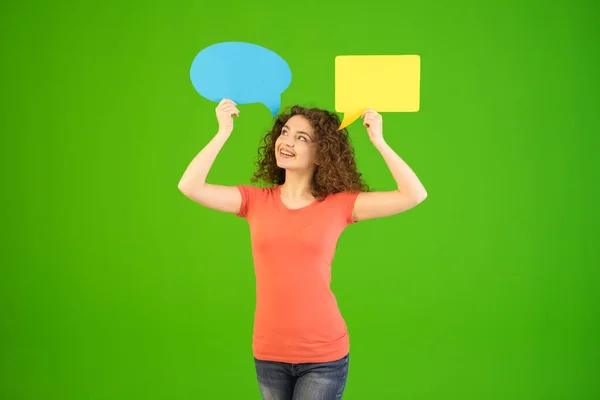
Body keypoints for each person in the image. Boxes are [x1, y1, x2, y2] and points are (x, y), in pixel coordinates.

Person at [178, 99, 427, 399]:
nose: (287, 141)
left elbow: (414, 194)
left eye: (301, 138)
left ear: (322, 153)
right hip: (269, 352)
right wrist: (223, 133)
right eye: (284, 132)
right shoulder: (255, 201)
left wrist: (379, 141)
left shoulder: (339, 205)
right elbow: (190, 186)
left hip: (323, 355)